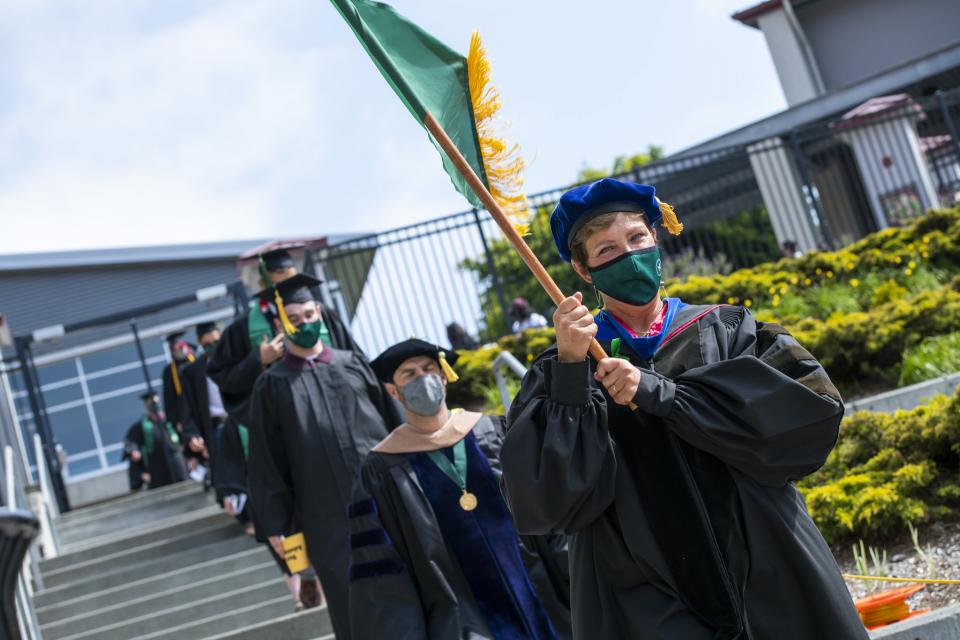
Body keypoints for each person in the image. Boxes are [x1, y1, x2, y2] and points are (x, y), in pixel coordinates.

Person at [499, 178, 867, 639]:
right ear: (583, 269)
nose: (628, 255)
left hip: (769, 558)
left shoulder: (726, 328)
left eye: (636, 238)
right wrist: (573, 375)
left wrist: (659, 392)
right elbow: (543, 504)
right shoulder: (563, 368)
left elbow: (808, 416)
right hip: (641, 593)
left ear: (656, 238)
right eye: (607, 249)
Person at [348, 338, 571, 639]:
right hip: (461, 618)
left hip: (539, 593)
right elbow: (386, 572)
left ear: (443, 376)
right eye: (409, 374)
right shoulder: (381, 469)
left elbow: (546, 512)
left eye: (428, 369)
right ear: (393, 390)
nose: (422, 378)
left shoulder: (492, 431)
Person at [248, 273, 400, 638]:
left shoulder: (353, 364)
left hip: (387, 506)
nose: (305, 324)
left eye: (309, 315)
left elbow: (396, 427)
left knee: (406, 588)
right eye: (295, 319)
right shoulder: (271, 387)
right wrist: (280, 528)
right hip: (325, 519)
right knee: (353, 607)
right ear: (280, 324)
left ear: (320, 312)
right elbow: (268, 463)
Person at [206, 247, 360, 425]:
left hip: (337, 405)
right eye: (283, 283)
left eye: (294, 280)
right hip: (285, 419)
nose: (291, 288)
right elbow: (222, 375)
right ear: (263, 285)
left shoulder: (321, 315)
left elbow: (352, 358)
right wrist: (258, 359)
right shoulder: (243, 327)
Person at [179, 322, 226, 489]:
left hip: (240, 419)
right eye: (207, 345)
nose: (212, 347)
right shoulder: (192, 372)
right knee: (225, 470)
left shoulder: (235, 360)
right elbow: (187, 408)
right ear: (199, 343)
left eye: (216, 342)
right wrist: (192, 434)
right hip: (216, 426)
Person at [123, 390, 188, 490]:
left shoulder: (170, 420)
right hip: (157, 469)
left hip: (178, 465)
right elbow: (131, 441)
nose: (154, 405)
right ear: (146, 406)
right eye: (150, 403)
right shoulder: (141, 426)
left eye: (155, 402)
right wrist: (133, 450)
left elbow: (185, 438)